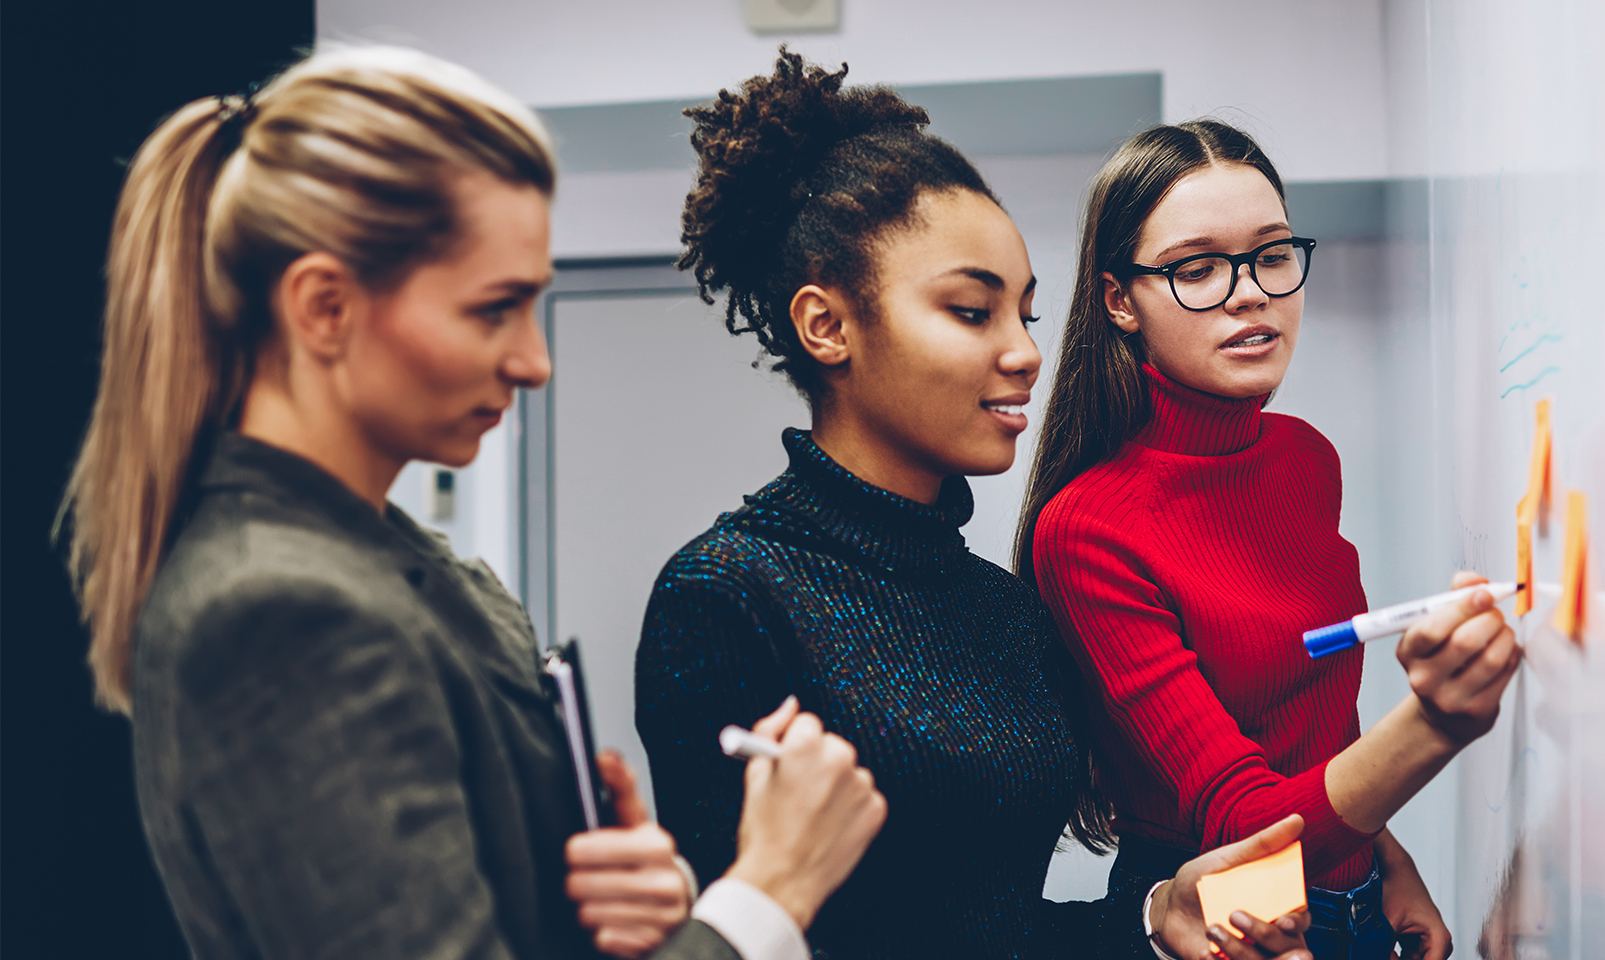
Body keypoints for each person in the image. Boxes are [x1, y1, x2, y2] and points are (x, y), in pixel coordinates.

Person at [60, 45, 885, 960]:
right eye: (493, 309)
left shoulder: (403, 566)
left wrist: (634, 910)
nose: (534, 361)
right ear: (324, 308)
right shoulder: (281, 610)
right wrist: (769, 893)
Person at [635, 52, 1311, 960]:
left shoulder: (1004, 611)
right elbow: (736, 938)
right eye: (969, 311)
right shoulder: (729, 594)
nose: (1024, 352)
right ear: (826, 325)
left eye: (1025, 315)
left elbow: (1003, 933)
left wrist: (1154, 922)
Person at [1016, 120, 1523, 960]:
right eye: (1197, 268)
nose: (1250, 293)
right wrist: (1433, 722)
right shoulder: (1087, 529)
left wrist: (1383, 858)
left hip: (1353, 892)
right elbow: (1247, 824)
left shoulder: (1303, 457)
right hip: (1224, 920)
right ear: (1119, 300)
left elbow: (1311, 716)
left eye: (1271, 255)